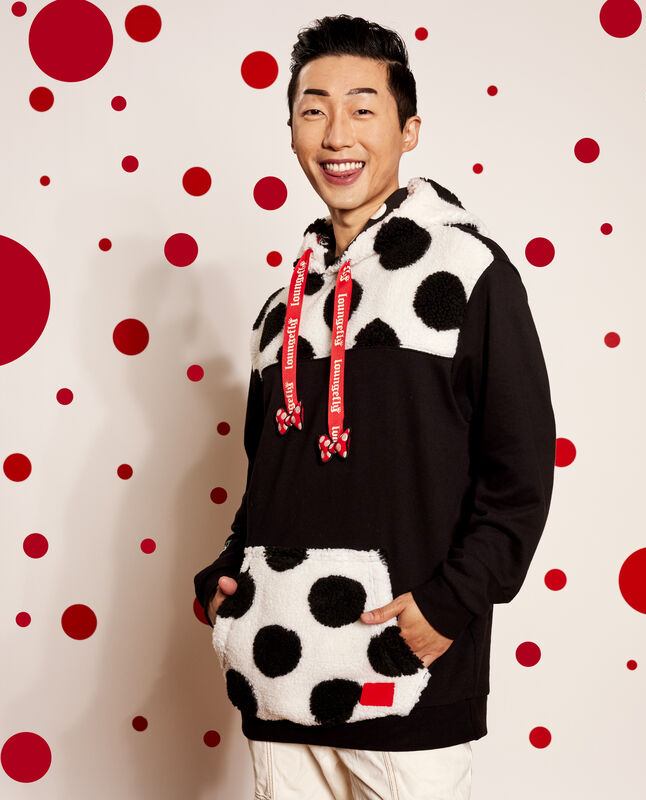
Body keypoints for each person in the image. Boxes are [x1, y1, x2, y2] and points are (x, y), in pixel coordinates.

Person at [193, 13, 556, 800]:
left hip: (406, 680)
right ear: (291, 132)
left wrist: (450, 607)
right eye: (313, 109)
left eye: (363, 108)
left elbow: (520, 475)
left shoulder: (470, 272)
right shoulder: (279, 313)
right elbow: (267, 479)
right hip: (277, 680)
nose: (337, 134)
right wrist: (228, 575)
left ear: (408, 129)